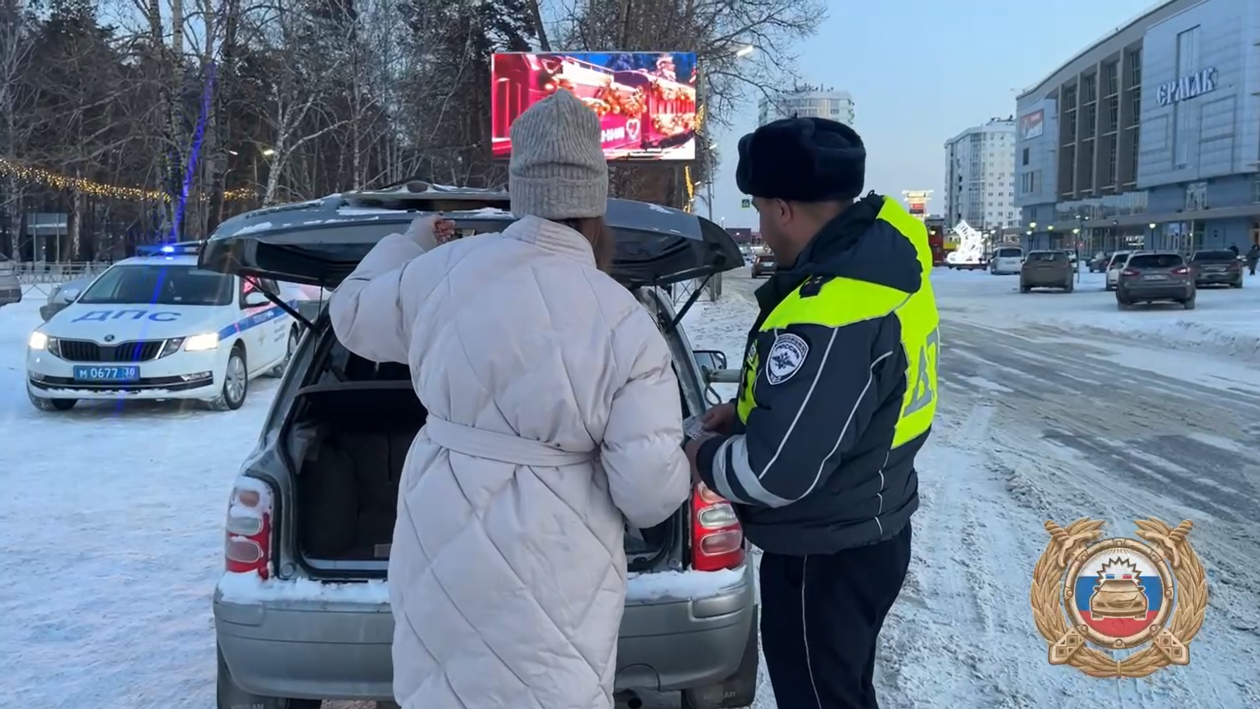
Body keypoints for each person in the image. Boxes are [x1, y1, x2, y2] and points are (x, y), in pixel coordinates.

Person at [329, 89, 691, 709]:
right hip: (558, 566)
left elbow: (352, 314)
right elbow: (650, 496)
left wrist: (410, 241)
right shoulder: (624, 321)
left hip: (442, 541)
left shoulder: (443, 272)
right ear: (594, 204)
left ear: (521, 190)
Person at [683, 117, 939, 709]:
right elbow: (844, 402)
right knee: (842, 692)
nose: (764, 227)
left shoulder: (832, 311)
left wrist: (699, 452)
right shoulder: (885, 263)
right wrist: (744, 416)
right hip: (872, 523)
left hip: (823, 555)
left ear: (783, 208)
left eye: (760, 209)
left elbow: (775, 475)